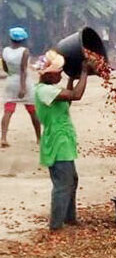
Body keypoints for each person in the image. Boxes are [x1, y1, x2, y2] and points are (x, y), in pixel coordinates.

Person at [34, 50, 91, 231]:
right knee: (62, 184)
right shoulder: (44, 91)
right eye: (59, 72)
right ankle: (56, 226)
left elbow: (68, 98)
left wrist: (72, 79)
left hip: (63, 139)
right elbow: (76, 95)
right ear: (48, 74)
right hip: (57, 141)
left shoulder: (51, 90)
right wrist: (83, 72)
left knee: (71, 180)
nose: (60, 74)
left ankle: (70, 218)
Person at [1, 27, 40, 147]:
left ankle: (3, 138)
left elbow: (5, 68)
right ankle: (39, 138)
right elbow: (23, 70)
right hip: (24, 82)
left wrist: (12, 75)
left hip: (11, 81)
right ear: (23, 39)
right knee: (32, 110)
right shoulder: (25, 51)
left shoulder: (5, 50)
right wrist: (23, 87)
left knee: (8, 110)